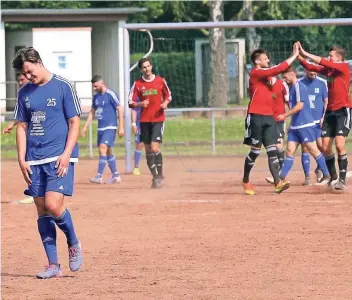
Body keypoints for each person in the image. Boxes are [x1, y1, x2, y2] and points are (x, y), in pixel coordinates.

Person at [12, 46, 83, 279]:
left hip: (59, 156)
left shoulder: (64, 86)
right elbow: (21, 126)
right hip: (34, 159)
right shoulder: (24, 93)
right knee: (41, 209)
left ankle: (73, 241)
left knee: (53, 205)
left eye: (30, 71)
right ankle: (53, 265)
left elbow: (74, 122)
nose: (28, 77)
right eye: (25, 74)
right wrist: (21, 158)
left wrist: (66, 153)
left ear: (39, 62)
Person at [242, 47, 299, 195]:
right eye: (265, 58)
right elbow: (278, 69)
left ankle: (277, 183)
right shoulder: (256, 73)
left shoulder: (269, 79)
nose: (267, 60)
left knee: (272, 150)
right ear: (257, 61)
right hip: (256, 116)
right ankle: (246, 180)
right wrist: (294, 56)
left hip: (269, 118)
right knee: (254, 151)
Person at [297, 42, 351, 190]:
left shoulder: (343, 67)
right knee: (326, 146)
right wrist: (299, 57)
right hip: (330, 112)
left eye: (331, 55)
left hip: (342, 111)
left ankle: (341, 179)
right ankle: (333, 177)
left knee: (340, 145)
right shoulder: (329, 71)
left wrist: (306, 53)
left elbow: (321, 61)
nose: (329, 57)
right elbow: (312, 67)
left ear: (339, 58)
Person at [276, 67, 330, 187]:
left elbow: (299, 106)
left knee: (313, 149)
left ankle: (327, 174)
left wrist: (284, 115)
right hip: (295, 125)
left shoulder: (299, 86)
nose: (284, 80)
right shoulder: (293, 88)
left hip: (304, 124)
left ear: (291, 75)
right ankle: (280, 179)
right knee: (289, 150)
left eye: (285, 77)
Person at [128, 57, 172, 188]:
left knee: (154, 148)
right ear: (141, 70)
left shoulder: (160, 81)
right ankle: (154, 176)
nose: (147, 69)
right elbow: (130, 102)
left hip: (158, 119)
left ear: (151, 66)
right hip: (144, 121)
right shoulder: (137, 84)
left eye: (148, 66)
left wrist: (165, 103)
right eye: (144, 67)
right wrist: (140, 103)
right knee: (147, 151)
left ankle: (160, 175)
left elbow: (169, 95)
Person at [81, 75, 124, 184]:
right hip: (101, 128)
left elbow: (119, 108)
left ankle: (99, 176)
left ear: (101, 83)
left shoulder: (110, 94)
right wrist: (85, 126)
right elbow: (92, 112)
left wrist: (121, 127)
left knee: (102, 148)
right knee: (107, 152)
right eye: (93, 87)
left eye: (95, 86)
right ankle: (116, 176)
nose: (94, 88)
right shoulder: (96, 97)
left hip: (110, 126)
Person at [298, 70, 328, 185]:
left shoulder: (322, 82)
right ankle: (307, 178)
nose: (313, 72)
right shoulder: (299, 83)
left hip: (317, 122)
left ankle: (320, 169)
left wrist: (323, 117)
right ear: (306, 70)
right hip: (305, 122)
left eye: (315, 70)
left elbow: (326, 101)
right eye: (310, 70)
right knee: (305, 147)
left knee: (322, 147)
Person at [265, 77, 289, 184]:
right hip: (267, 120)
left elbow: (289, 102)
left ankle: (281, 174)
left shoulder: (282, 84)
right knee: (271, 148)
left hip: (279, 120)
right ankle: (277, 175)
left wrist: (289, 114)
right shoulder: (263, 85)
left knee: (278, 146)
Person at [132, 105, 144, 176]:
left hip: (151, 121)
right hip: (140, 122)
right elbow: (134, 109)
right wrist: (133, 123)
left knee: (153, 144)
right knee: (139, 144)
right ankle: (136, 167)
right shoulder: (137, 95)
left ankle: (155, 166)